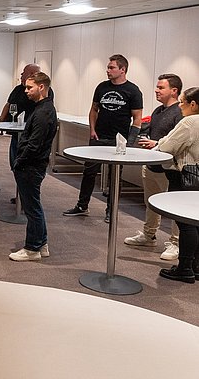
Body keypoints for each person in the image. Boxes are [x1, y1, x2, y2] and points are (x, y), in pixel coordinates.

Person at [64, 54, 143, 222]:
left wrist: (129, 142)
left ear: (122, 70)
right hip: (99, 137)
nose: (108, 70)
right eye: (108, 67)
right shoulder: (102, 87)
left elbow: (137, 119)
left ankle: (111, 210)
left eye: (111, 67)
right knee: (89, 172)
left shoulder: (133, 91)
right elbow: (94, 109)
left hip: (118, 140)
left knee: (115, 177)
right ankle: (82, 206)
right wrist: (92, 129)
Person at [124, 74, 183, 260]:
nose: (156, 90)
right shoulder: (158, 111)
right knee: (150, 203)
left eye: (161, 88)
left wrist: (155, 143)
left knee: (174, 207)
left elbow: (178, 141)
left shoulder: (180, 113)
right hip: (151, 164)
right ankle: (149, 235)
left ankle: (175, 243)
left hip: (170, 168)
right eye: (157, 87)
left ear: (174, 91)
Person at [9, 72, 58, 261]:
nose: (26, 91)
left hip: (31, 166)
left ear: (41, 87)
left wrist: (19, 161)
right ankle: (41, 244)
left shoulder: (43, 112)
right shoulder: (43, 108)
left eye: (30, 87)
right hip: (33, 165)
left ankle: (32, 249)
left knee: (32, 209)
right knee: (33, 206)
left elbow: (34, 144)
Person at [156, 86, 199, 283]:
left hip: (185, 177)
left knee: (186, 224)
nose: (179, 106)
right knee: (196, 223)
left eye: (182, 102)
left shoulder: (190, 122)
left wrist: (161, 142)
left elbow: (167, 146)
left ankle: (184, 269)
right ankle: (195, 267)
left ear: (193, 104)